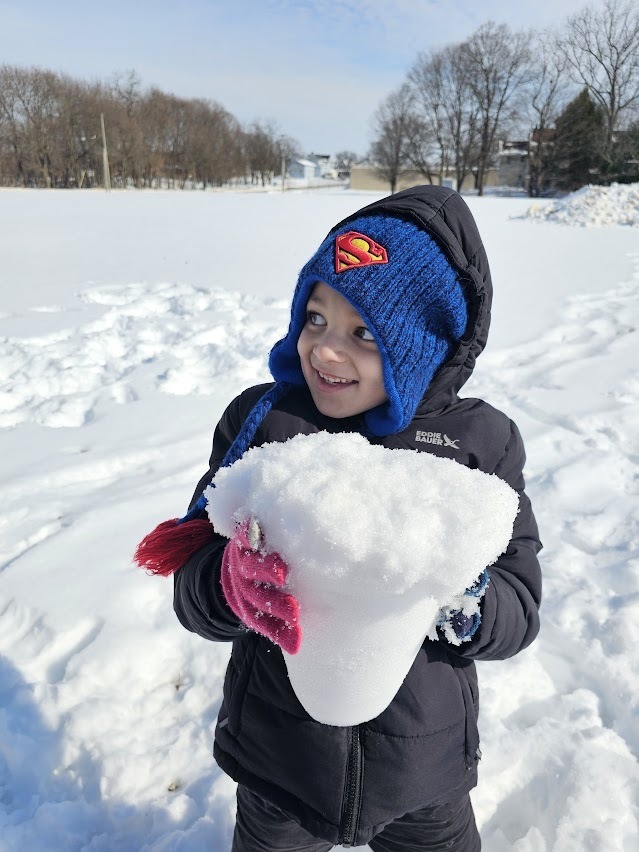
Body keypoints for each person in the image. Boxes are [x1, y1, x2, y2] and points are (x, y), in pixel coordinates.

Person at [135, 185, 542, 851]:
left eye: (363, 333)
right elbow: (194, 589)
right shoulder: (265, 425)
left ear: (421, 345)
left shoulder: (478, 443)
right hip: (279, 760)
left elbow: (518, 608)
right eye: (315, 319)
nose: (324, 351)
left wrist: (459, 594)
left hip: (420, 769)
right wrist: (227, 583)